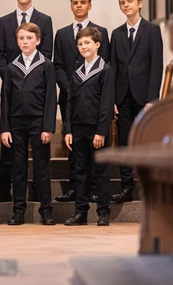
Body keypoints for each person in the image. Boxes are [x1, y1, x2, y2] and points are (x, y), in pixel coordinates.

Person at [0, 0, 53, 203]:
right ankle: (4, 190)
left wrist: (30, 77)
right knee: (11, 152)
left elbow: (46, 53)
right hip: (13, 89)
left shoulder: (44, 20)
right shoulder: (4, 21)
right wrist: (11, 75)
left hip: (36, 94)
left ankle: (39, 194)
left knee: (39, 158)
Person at [54, 0, 110, 203]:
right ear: (71, 6)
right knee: (73, 145)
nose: (79, 5)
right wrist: (70, 88)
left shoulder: (101, 32)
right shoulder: (62, 34)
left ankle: (95, 189)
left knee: (94, 147)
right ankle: (74, 188)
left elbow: (105, 65)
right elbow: (57, 65)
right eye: (75, 2)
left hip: (94, 101)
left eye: (83, 2)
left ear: (89, 5)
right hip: (70, 97)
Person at [110, 0, 163, 203]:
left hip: (144, 96)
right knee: (124, 142)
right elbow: (113, 68)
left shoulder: (152, 30)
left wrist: (152, 99)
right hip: (123, 96)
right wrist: (112, 98)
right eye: (122, 2)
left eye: (130, 1)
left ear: (139, 3)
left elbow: (156, 66)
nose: (126, 5)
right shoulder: (117, 33)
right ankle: (126, 188)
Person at [0, 23, 56, 226]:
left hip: (38, 122)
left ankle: (46, 210)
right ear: (17, 41)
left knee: (42, 167)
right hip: (16, 123)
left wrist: (48, 126)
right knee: (18, 168)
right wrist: (4, 127)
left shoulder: (46, 65)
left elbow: (51, 97)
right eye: (21, 38)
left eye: (29, 38)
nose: (25, 42)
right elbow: (5, 98)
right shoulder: (11, 67)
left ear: (38, 40)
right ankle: (18, 211)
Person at [63, 27, 113, 226]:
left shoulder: (105, 70)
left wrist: (101, 131)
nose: (83, 47)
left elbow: (106, 104)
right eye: (80, 44)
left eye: (87, 43)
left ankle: (103, 212)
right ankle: (80, 212)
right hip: (78, 129)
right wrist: (68, 130)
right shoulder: (77, 73)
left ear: (97, 45)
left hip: (96, 130)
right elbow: (69, 103)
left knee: (100, 172)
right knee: (80, 172)